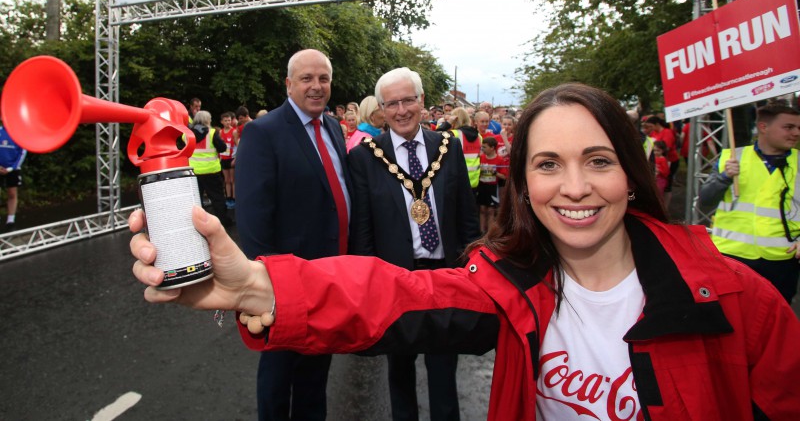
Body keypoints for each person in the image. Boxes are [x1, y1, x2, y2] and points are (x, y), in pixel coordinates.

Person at [130, 83, 800, 421]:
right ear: (522, 181)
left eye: (597, 160)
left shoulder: (740, 300)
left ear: (631, 171)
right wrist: (254, 287)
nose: (573, 188)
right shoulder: (510, 284)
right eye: (547, 164)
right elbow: (396, 297)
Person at [348, 67, 480, 421]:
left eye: (408, 100)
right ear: (382, 108)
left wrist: (474, 271)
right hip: (395, 281)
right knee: (400, 371)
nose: (401, 110)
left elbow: (467, 216)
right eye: (392, 103)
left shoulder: (448, 147)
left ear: (422, 101)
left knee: (443, 373)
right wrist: (368, 285)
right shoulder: (364, 158)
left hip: (445, 277)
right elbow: (362, 231)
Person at [234, 48, 352, 420]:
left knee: (316, 374)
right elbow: (253, 222)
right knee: (278, 375)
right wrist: (266, 288)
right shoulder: (262, 132)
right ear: (289, 84)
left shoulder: (333, 127)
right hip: (286, 287)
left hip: (331, 277)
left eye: (323, 79)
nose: (316, 87)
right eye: (306, 79)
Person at [699, 101, 800, 304]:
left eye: (799, 128)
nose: (796, 133)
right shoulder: (731, 157)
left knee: (776, 321)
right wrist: (724, 177)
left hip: (781, 259)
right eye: (788, 127)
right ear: (763, 127)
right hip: (731, 254)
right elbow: (705, 201)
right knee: (732, 318)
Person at [188, 110, 230, 228]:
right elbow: (222, 147)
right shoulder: (212, 133)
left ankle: (198, 224)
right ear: (207, 120)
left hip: (193, 171)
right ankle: (223, 221)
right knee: (217, 198)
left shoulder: (187, 134)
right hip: (211, 171)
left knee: (196, 199)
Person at [0, 121, 26, 232]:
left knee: (12, 193)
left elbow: (22, 152)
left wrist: (12, 168)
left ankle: (10, 221)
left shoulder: (18, 133)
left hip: (13, 169)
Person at [449, 107, 482, 192]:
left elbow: (435, 136)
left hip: (458, 180)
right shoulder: (478, 136)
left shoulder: (453, 134)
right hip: (474, 180)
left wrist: (448, 123)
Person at [477, 136, 503, 233]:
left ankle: (490, 233)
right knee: (482, 209)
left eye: (485, 147)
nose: (482, 149)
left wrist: (495, 173)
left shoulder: (499, 159)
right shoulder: (481, 157)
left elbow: (504, 176)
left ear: (492, 148)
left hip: (492, 187)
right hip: (482, 185)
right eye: (482, 147)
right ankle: (482, 231)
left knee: (491, 210)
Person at [218, 111, 237, 209]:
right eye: (225, 121)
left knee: (233, 179)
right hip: (224, 158)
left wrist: (236, 158)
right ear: (222, 122)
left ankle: (234, 198)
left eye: (229, 120)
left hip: (232, 158)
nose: (228, 122)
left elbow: (238, 146)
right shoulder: (220, 132)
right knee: (227, 180)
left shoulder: (234, 131)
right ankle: (228, 198)